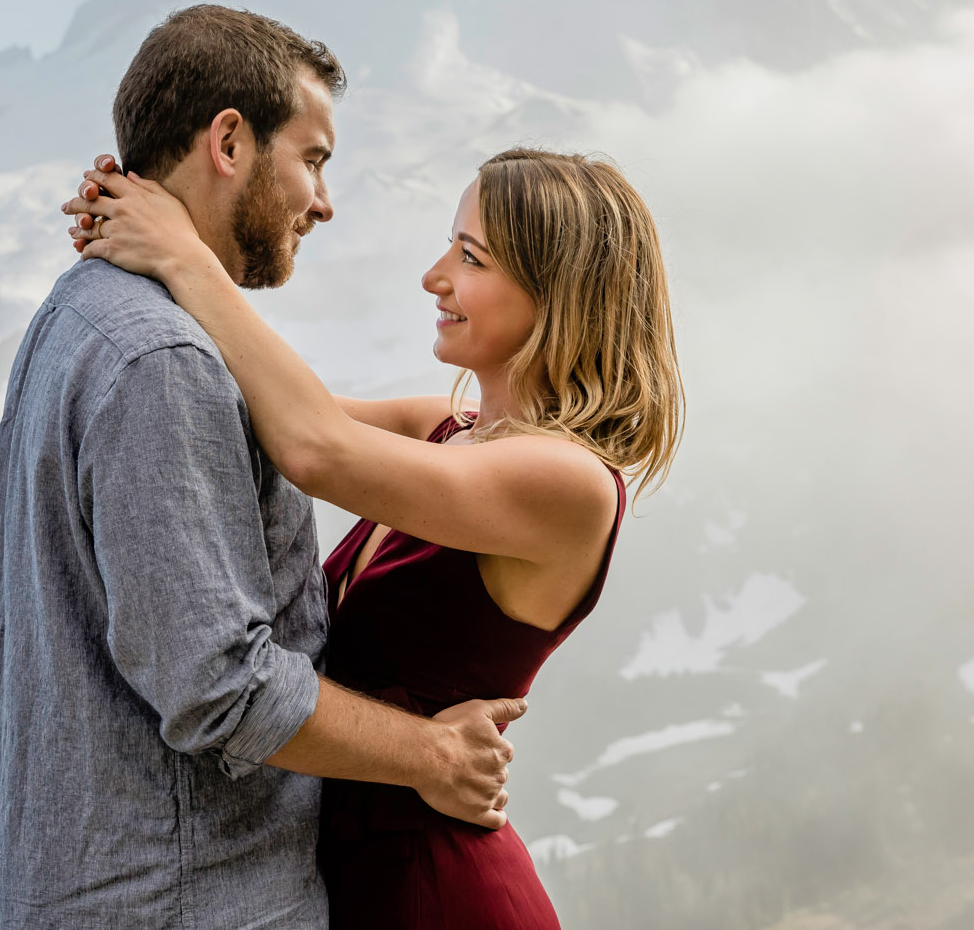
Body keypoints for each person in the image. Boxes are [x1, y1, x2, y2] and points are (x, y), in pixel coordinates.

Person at [0, 5, 524, 930]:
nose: (324, 200)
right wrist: (433, 754)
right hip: (186, 903)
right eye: (313, 158)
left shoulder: (80, 316)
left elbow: (313, 422)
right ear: (229, 140)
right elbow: (221, 687)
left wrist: (190, 263)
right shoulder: (162, 363)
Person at [65, 137, 685, 929]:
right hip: (348, 878)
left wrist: (184, 257)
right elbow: (251, 401)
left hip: (437, 890)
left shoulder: (569, 486)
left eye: (471, 257)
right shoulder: (443, 428)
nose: (436, 276)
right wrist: (136, 232)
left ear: (555, 293)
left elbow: (314, 446)